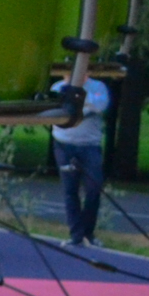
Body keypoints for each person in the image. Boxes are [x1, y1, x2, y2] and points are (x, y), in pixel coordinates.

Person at [52, 77, 111, 246]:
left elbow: (101, 105)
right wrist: (85, 105)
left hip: (90, 145)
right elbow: (58, 110)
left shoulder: (97, 86)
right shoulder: (57, 87)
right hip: (63, 144)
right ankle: (76, 235)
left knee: (94, 188)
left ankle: (88, 233)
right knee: (70, 190)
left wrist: (80, 100)